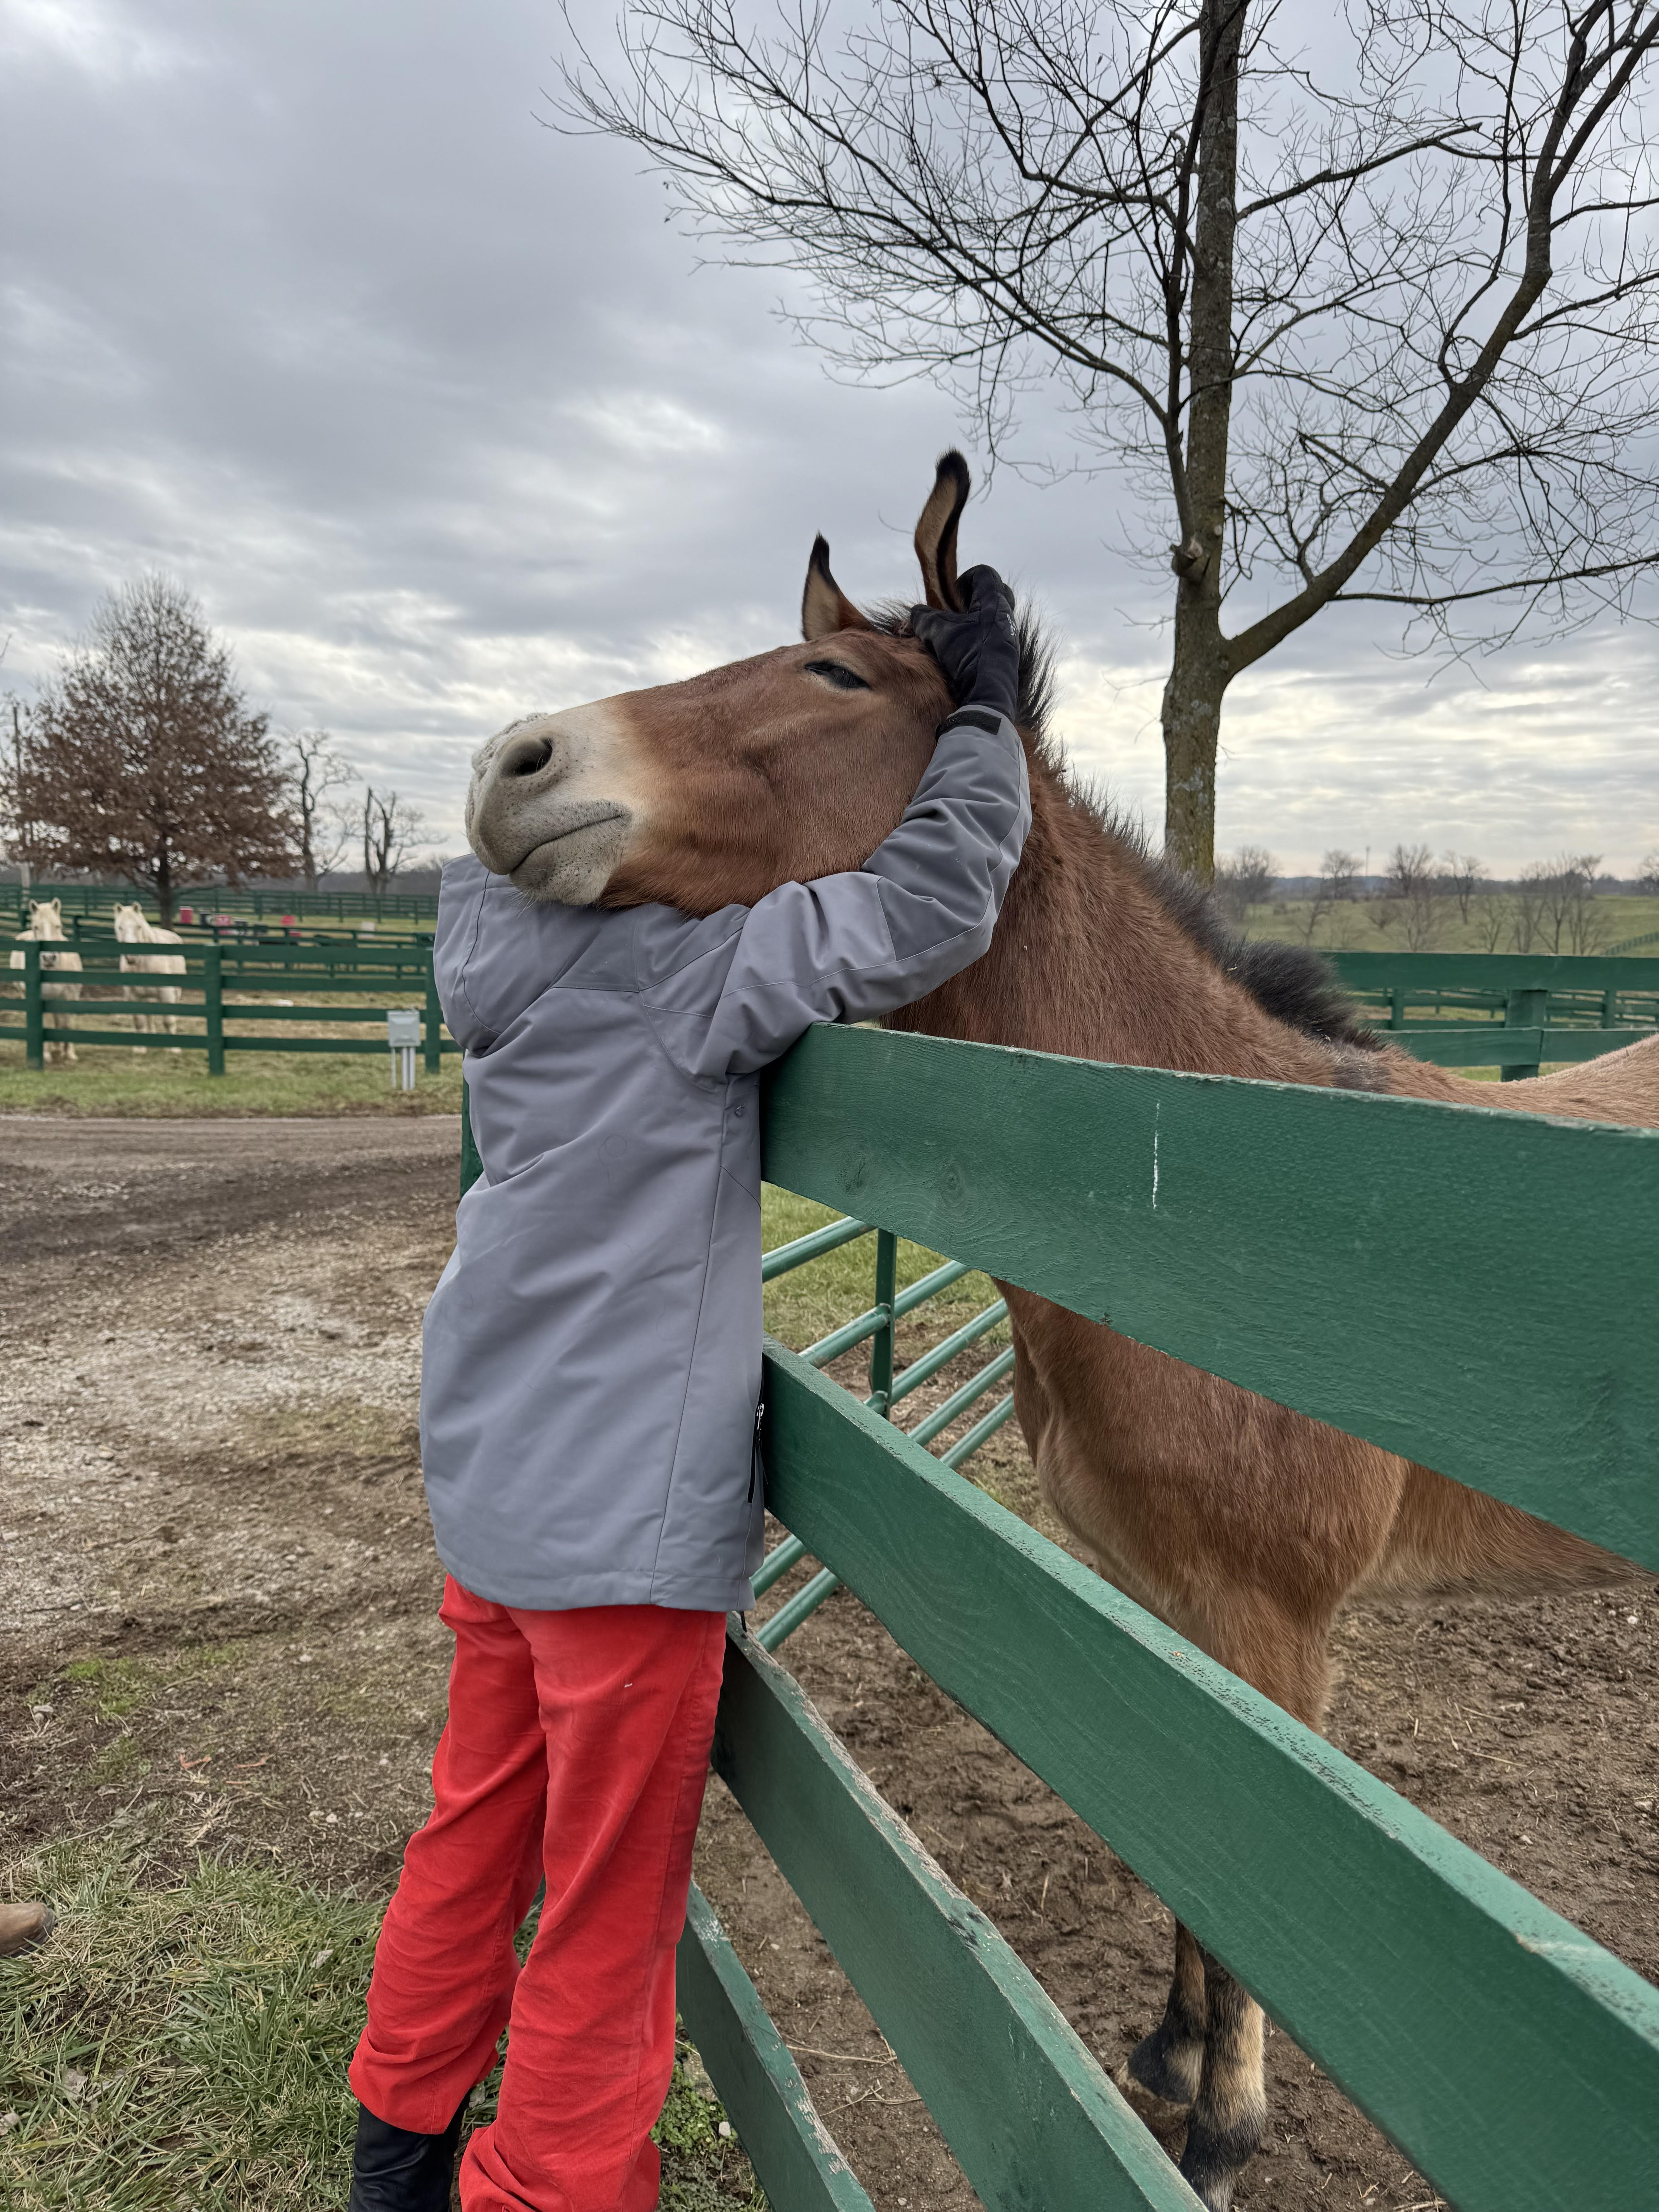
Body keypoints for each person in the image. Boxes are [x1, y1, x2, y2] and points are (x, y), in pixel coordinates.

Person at [345, 571, 1030, 2212]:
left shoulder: (502, 952)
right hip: (622, 1532)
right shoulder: (687, 975)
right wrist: (989, 726)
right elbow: (932, 899)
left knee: (475, 1825)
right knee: (607, 1899)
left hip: (498, 1484)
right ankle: (547, 2192)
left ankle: (398, 2147)